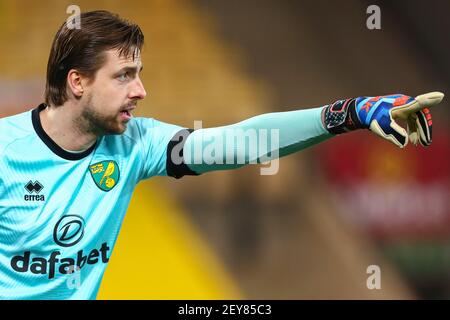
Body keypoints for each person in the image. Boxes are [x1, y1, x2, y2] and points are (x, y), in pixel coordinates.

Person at [0, 10, 444, 300]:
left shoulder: (135, 143)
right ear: (78, 82)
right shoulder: (6, 151)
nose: (140, 90)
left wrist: (349, 113)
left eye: (139, 74)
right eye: (123, 76)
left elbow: (238, 144)